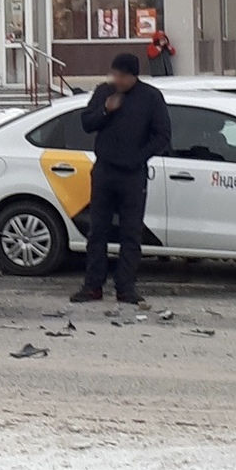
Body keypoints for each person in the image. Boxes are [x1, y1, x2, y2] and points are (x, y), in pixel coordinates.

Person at [71, 53, 171, 305]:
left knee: (131, 233)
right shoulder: (104, 92)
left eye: (121, 76)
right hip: (104, 171)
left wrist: (139, 157)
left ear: (133, 76)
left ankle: (125, 288)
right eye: (113, 74)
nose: (116, 80)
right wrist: (105, 110)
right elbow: (86, 123)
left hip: (132, 174)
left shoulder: (150, 97)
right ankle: (93, 286)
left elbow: (162, 136)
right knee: (97, 231)